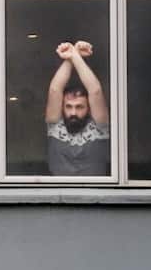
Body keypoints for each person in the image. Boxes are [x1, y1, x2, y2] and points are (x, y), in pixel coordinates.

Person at [45, 40, 110, 176]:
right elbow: (55, 90)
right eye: (68, 106)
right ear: (62, 107)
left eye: (79, 107)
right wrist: (72, 56)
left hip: (95, 189)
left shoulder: (99, 127)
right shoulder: (56, 126)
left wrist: (75, 56)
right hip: (58, 190)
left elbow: (95, 91)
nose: (73, 112)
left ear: (89, 109)